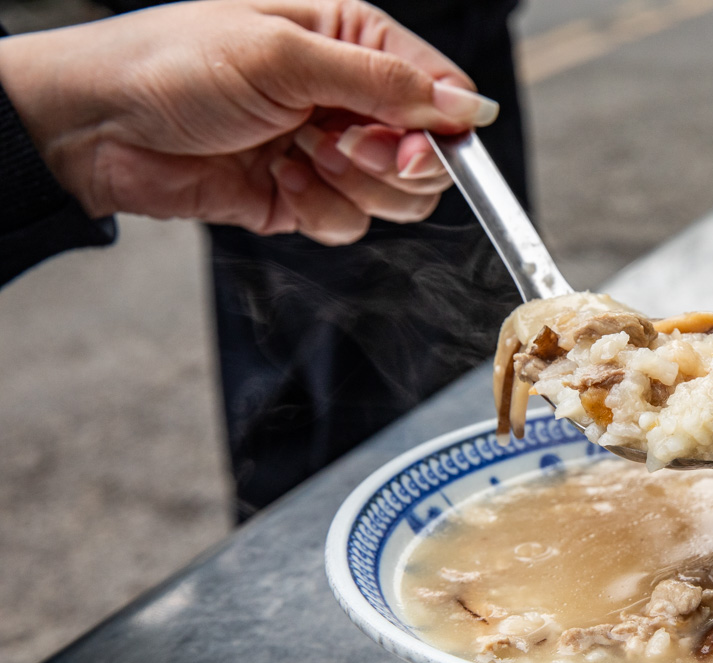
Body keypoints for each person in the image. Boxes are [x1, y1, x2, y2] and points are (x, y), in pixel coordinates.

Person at [0, 0, 527, 519]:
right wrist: (76, 114)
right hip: (360, 70)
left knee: (426, 372)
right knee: (323, 407)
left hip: (422, 56)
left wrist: (77, 123)